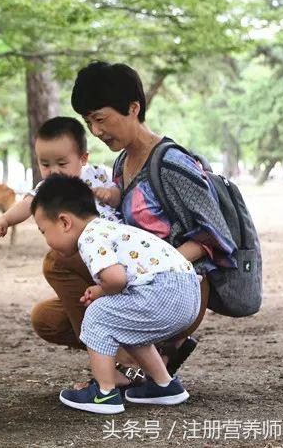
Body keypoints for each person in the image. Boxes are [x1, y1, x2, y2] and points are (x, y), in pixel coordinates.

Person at [30, 61, 237, 379]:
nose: (96, 132)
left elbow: (217, 235)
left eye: (100, 119)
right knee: (46, 318)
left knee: (57, 259)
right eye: (89, 122)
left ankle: (126, 365)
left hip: (174, 288)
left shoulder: (173, 164)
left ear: (133, 107)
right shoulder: (120, 165)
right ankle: (146, 359)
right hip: (136, 281)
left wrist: (160, 266)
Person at [32, 174, 200, 414]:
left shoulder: (89, 238)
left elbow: (115, 279)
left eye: (43, 231)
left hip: (166, 292)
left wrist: (100, 290)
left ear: (64, 222)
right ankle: (164, 385)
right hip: (185, 291)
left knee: (97, 314)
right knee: (123, 322)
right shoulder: (109, 228)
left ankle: (104, 392)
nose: (47, 240)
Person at [0, 116, 121, 239]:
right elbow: (26, 205)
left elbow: (118, 198)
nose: (54, 171)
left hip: (116, 233)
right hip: (83, 244)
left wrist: (110, 194)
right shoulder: (47, 188)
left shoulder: (98, 174)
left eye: (62, 164)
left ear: (82, 159)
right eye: (45, 164)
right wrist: (5, 220)